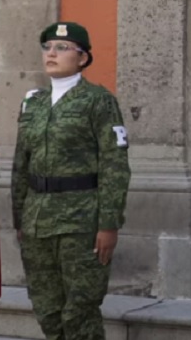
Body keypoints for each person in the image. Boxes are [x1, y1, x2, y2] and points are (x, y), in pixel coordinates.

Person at [11, 22, 131, 340]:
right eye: (47, 47)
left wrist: (109, 224)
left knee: (80, 313)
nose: (51, 53)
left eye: (62, 48)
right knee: (47, 309)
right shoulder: (32, 103)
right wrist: (19, 218)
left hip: (82, 222)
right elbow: (20, 165)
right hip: (38, 221)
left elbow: (114, 165)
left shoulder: (98, 101)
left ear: (82, 58)